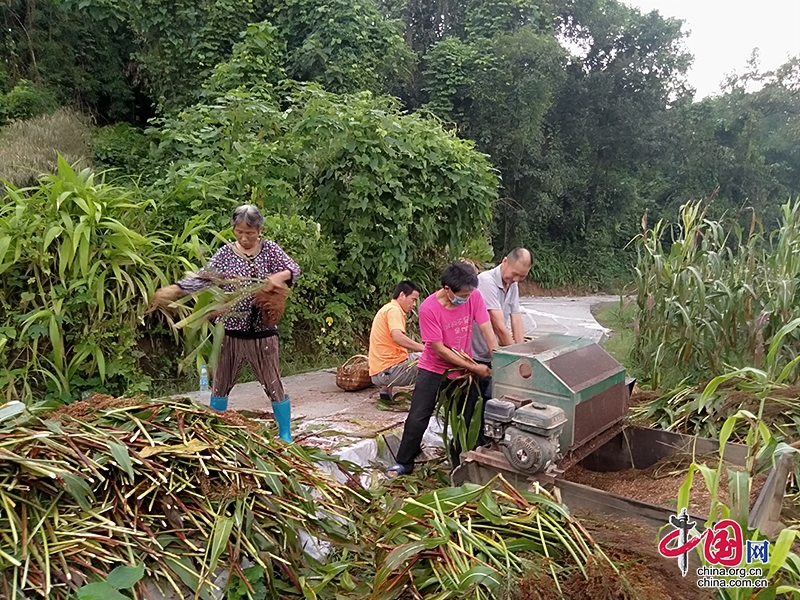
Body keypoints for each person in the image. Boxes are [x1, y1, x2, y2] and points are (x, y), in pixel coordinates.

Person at [151, 204, 300, 442]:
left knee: (273, 384)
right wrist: (177, 289)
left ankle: (285, 433)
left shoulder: (270, 249)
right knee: (220, 384)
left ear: (259, 229)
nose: (244, 237)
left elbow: (293, 269)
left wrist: (278, 277)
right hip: (230, 333)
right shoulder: (225, 254)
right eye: (239, 232)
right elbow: (203, 279)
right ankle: (215, 433)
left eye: (250, 233)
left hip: (262, 333)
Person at [386, 262, 498, 477]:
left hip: (464, 373)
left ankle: (460, 463)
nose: (466, 299)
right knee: (418, 417)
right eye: (462, 295)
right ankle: (403, 463)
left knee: (466, 419)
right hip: (435, 369)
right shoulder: (428, 308)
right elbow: (440, 350)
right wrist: (475, 367)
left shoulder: (474, 296)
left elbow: (486, 329)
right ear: (447, 289)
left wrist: (497, 357)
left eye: (469, 294)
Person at [471, 248, 533, 401]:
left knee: (494, 401)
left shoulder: (512, 284)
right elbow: (499, 326)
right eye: (515, 274)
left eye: (522, 276)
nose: (517, 279)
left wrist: (522, 353)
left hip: (494, 353)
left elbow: (516, 319)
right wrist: (515, 362)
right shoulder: (486, 281)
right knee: (476, 406)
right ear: (504, 261)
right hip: (475, 355)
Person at [368, 281, 425, 402]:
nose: (414, 304)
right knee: (430, 359)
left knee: (407, 356)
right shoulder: (394, 311)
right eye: (413, 299)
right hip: (388, 372)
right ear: (402, 295)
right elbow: (397, 337)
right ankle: (423, 400)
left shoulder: (387, 309)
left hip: (378, 371)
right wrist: (424, 348)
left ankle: (385, 392)